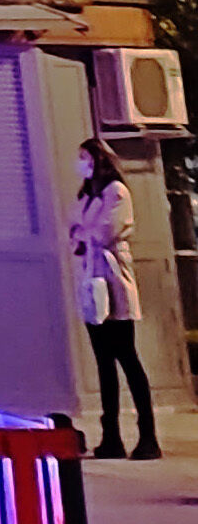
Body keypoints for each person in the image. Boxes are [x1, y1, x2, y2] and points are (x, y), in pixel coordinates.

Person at [70, 136, 159, 459]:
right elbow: (75, 229)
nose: (81, 164)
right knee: (104, 363)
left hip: (113, 281)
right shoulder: (86, 196)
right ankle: (111, 435)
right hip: (92, 283)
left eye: (85, 157)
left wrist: (83, 235)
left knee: (127, 358)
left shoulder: (116, 193)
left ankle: (147, 434)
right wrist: (82, 235)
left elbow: (103, 232)